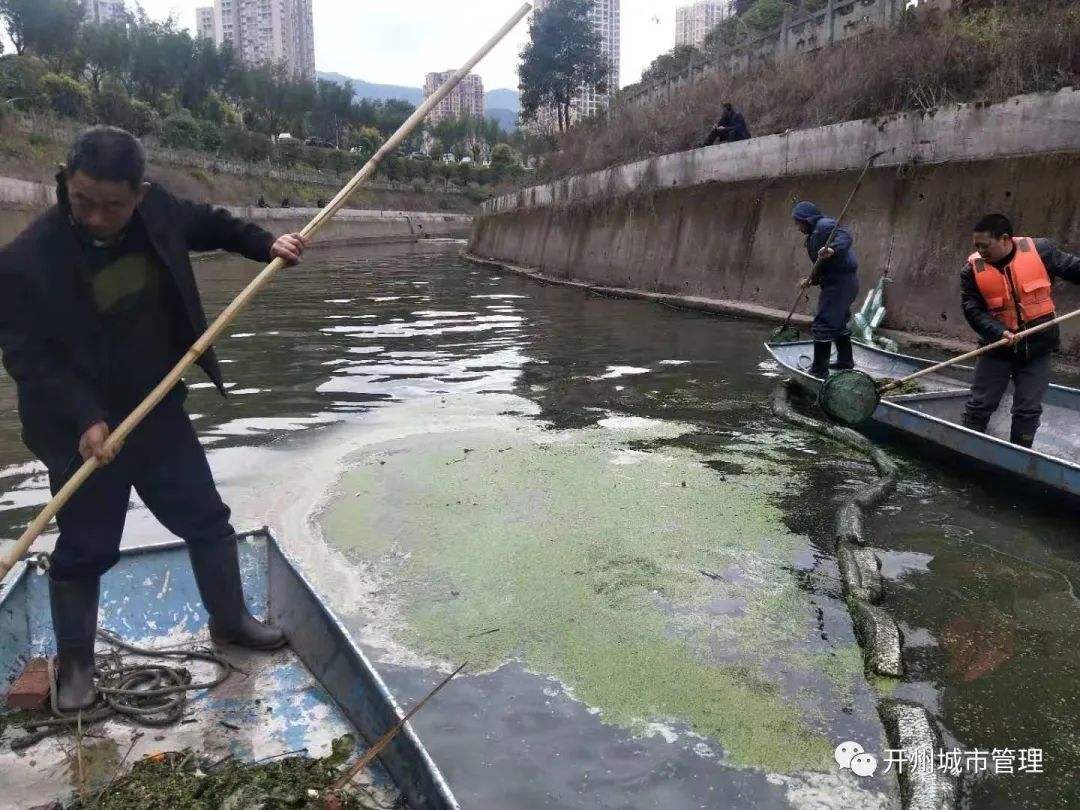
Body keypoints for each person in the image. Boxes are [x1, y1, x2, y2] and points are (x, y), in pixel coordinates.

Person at [0, 127, 308, 712]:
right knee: (86, 545)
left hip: (156, 403)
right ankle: (77, 671)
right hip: (82, 426)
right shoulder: (24, 262)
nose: (93, 216)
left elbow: (212, 223)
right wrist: (86, 419)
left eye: (111, 206)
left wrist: (268, 243)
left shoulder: (158, 210)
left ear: (139, 194)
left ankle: (231, 622)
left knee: (206, 517)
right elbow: (27, 358)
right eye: (81, 199)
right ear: (65, 181)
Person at [960, 214, 1080, 448]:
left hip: (1038, 347)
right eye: (977, 246)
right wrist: (998, 331)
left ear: (1005, 239)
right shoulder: (971, 271)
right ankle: (968, 450)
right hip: (997, 347)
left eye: (986, 245)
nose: (981, 250)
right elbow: (973, 311)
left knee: (1028, 409)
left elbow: (1074, 269)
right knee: (980, 404)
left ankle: (1020, 453)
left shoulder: (1042, 251)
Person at [792, 201, 860, 378]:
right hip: (835, 283)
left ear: (807, 219)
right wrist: (812, 279)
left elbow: (845, 236)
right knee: (837, 323)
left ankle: (819, 370)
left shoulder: (824, 225)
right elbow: (821, 266)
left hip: (841, 283)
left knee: (823, 324)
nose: (798, 227)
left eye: (799, 222)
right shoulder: (812, 238)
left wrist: (833, 248)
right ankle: (845, 362)